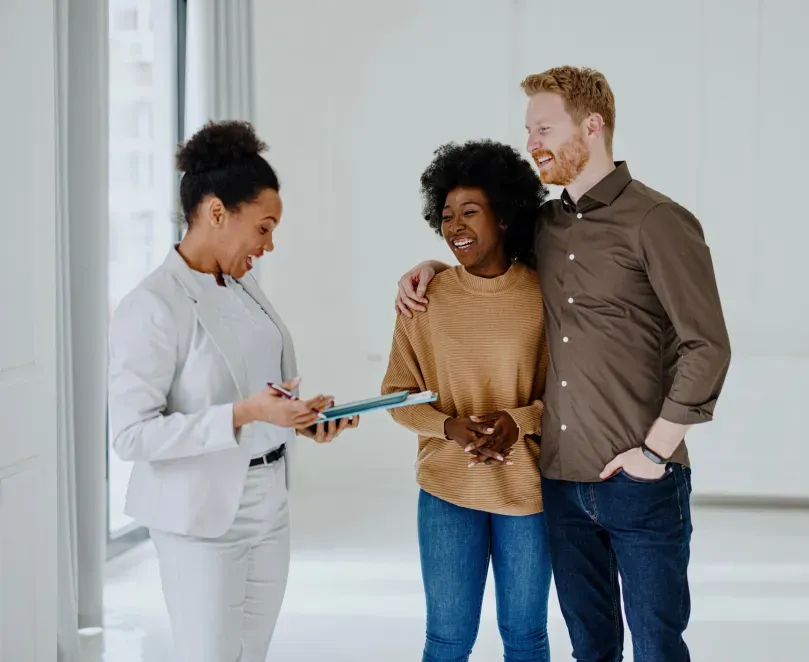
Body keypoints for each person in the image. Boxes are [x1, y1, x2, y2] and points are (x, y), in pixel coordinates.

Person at [394, 66, 732, 661]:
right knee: (590, 649)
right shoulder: (545, 228)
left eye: (544, 128)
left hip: (640, 479)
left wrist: (655, 453)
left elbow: (707, 345)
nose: (533, 144)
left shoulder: (658, 220)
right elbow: (484, 263)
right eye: (529, 131)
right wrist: (431, 266)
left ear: (593, 127)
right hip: (560, 480)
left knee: (656, 647)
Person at [107, 120, 359, 662]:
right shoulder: (152, 306)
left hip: (269, 502)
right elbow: (130, 435)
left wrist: (301, 419)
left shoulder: (241, 288)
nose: (269, 245)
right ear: (217, 212)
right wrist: (243, 414)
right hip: (201, 517)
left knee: (252, 653)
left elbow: (257, 391)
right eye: (263, 228)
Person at [381, 139, 552, 662]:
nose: (455, 226)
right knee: (448, 639)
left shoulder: (542, 296)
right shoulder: (425, 298)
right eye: (447, 215)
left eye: (470, 212)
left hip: (526, 490)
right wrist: (447, 427)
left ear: (503, 216)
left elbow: (565, 393)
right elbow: (396, 394)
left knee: (525, 638)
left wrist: (519, 422)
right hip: (446, 491)